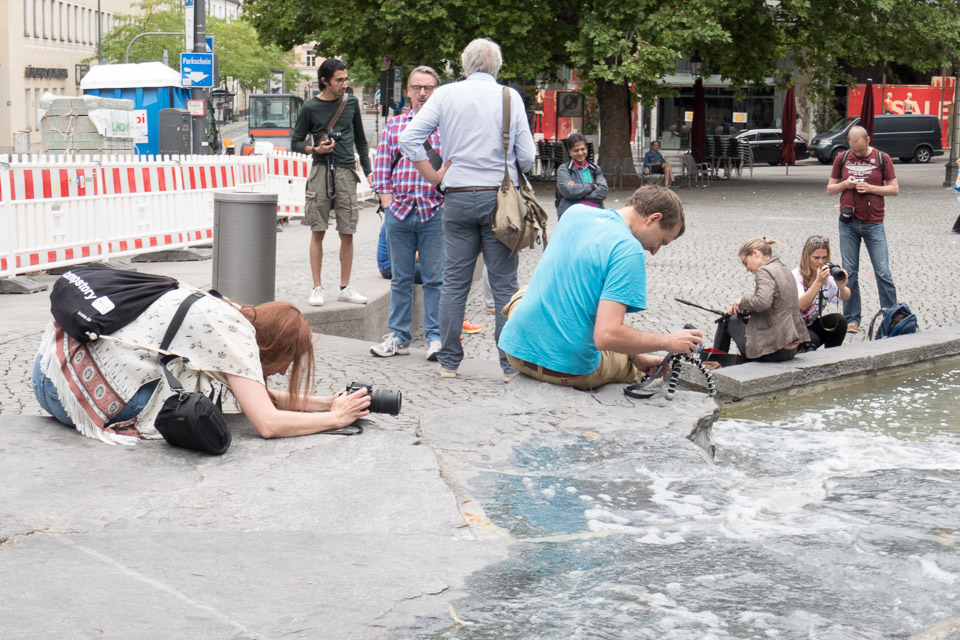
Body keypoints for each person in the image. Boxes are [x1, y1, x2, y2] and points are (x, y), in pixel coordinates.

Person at [31, 287, 372, 445]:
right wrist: (336, 419)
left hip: (49, 370)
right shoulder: (235, 335)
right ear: (277, 345)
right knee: (191, 412)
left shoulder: (223, 309)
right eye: (289, 361)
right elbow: (266, 422)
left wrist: (329, 402)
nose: (284, 370)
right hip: (70, 399)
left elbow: (261, 395)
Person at [399, 38, 536, 382]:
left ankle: (449, 362)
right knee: (505, 287)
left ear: (464, 66)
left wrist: (433, 176)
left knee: (454, 285)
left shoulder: (445, 94)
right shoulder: (510, 98)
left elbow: (409, 139)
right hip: (499, 201)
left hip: (457, 196)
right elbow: (529, 159)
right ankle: (508, 366)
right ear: (497, 67)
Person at [498, 186, 703, 390]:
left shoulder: (575, 213)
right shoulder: (629, 250)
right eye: (662, 241)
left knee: (526, 292)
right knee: (628, 366)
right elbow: (607, 335)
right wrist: (667, 342)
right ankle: (637, 369)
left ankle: (636, 355)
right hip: (568, 370)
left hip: (515, 353)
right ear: (653, 218)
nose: (655, 251)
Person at [369, 66, 445, 360]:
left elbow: (452, 167)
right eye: (417, 88)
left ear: (437, 91)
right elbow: (382, 169)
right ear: (408, 92)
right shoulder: (395, 126)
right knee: (400, 279)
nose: (423, 94)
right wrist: (388, 206)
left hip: (433, 212)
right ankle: (398, 337)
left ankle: (435, 338)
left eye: (428, 88)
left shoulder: (447, 128)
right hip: (399, 212)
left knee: (435, 279)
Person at [292, 58, 372, 308]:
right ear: (324, 80)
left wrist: (369, 173)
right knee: (318, 231)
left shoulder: (351, 103)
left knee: (347, 232)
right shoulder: (310, 107)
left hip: (346, 171)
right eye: (339, 80)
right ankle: (317, 287)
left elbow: (360, 140)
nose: (344, 84)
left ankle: (345, 287)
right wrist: (315, 148)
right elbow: (294, 142)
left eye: (346, 79)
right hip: (320, 171)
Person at [826, 125, 899, 333]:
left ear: (868, 140)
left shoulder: (882, 158)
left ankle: (891, 316)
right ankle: (851, 319)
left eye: (860, 150)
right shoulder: (842, 158)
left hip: (874, 223)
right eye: (854, 150)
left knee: (883, 271)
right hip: (848, 223)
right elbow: (830, 189)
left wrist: (871, 188)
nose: (857, 154)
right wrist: (844, 185)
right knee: (850, 273)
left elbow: (894, 189)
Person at [714, 237, 808, 363]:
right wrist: (745, 309)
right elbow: (775, 304)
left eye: (745, 262)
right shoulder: (783, 267)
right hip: (791, 349)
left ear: (755, 253)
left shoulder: (764, 270)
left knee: (727, 321)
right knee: (740, 320)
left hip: (773, 350)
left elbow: (763, 302)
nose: (746, 269)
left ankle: (713, 365)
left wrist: (741, 300)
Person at [794, 235, 851, 350]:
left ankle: (832, 357)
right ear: (807, 256)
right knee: (812, 339)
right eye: (816, 258)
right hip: (792, 329)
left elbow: (845, 296)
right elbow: (802, 305)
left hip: (811, 325)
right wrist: (818, 282)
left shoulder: (826, 276)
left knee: (840, 322)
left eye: (824, 258)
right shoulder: (795, 276)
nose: (820, 262)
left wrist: (842, 287)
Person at [555, 133, 608, 219]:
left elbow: (603, 192)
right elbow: (568, 192)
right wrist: (591, 187)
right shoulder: (564, 169)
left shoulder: (595, 169)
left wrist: (577, 191)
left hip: (595, 216)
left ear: (586, 149)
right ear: (570, 152)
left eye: (582, 149)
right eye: (576, 150)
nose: (580, 153)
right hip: (572, 217)